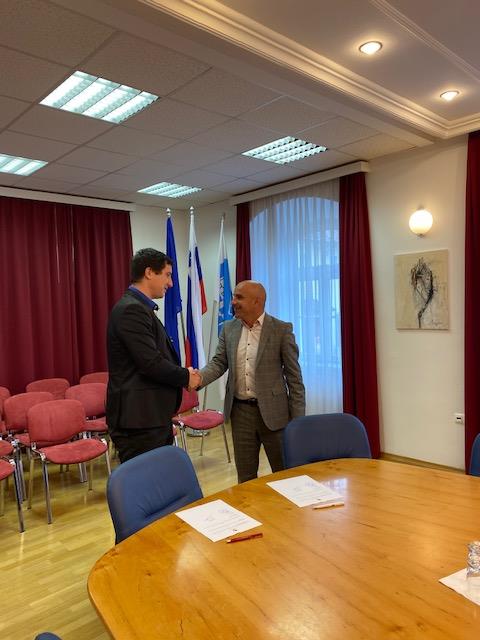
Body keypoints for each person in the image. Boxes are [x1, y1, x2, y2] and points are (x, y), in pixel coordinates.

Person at [199, 280, 305, 482]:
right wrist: (198, 379)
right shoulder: (228, 329)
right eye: (234, 297)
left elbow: (295, 379)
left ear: (257, 301)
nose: (233, 302)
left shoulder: (281, 330)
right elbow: (219, 363)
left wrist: (298, 422)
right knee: (245, 479)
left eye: (239, 297)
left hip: (275, 415)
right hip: (240, 414)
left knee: (286, 476)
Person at [106, 248, 201, 463]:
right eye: (167, 275)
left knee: (159, 478)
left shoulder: (139, 307)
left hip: (149, 417)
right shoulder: (132, 310)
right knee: (146, 481)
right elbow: (150, 363)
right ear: (149, 272)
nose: (171, 283)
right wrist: (186, 376)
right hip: (139, 420)